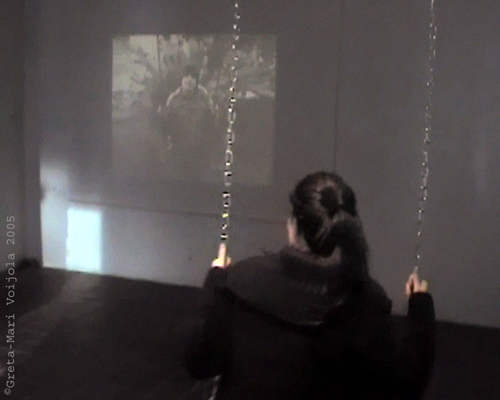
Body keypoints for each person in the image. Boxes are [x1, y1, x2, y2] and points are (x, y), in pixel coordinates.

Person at [186, 171, 435, 400]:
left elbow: (200, 363)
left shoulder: (243, 281)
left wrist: (216, 281)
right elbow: (404, 389)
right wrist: (421, 311)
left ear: (293, 226)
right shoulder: (367, 302)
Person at [157, 65, 217, 180]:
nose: (189, 80)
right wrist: (162, 116)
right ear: (181, 79)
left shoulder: (204, 96)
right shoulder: (173, 99)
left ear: (197, 80)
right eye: (186, 76)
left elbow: (211, 121)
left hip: (200, 150)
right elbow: (167, 126)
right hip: (179, 150)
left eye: (193, 77)